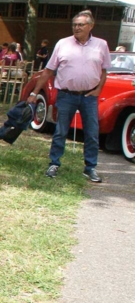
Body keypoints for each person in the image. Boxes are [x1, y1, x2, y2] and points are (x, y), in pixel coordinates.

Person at [26, 10, 109, 183]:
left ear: (91, 26)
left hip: (89, 96)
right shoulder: (63, 44)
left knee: (92, 133)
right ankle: (54, 163)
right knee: (60, 131)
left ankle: (90, 168)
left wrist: (99, 89)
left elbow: (104, 70)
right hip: (66, 95)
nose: (76, 28)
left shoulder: (101, 45)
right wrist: (34, 92)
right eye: (74, 25)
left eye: (81, 25)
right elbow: (48, 70)